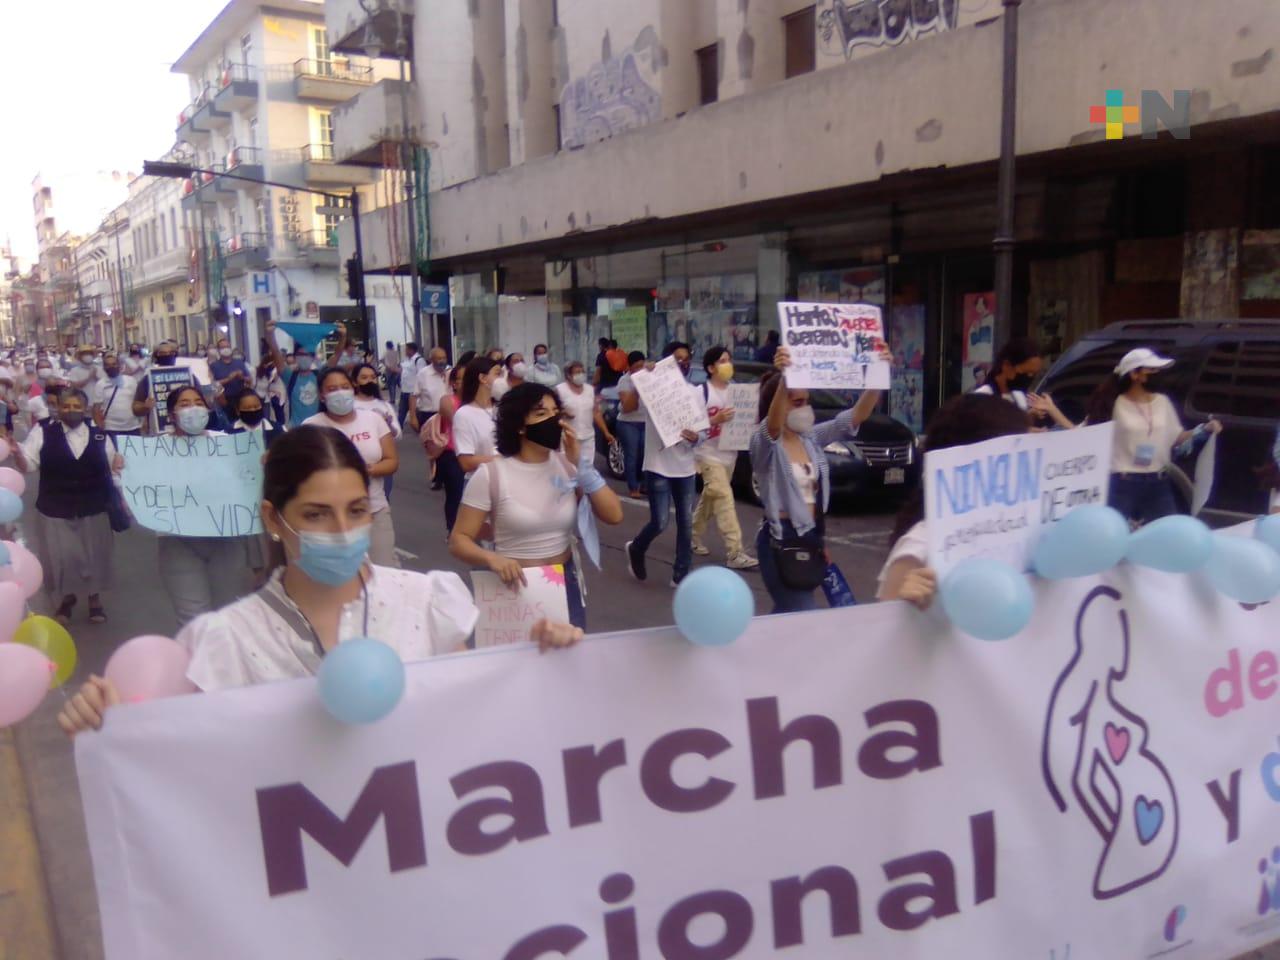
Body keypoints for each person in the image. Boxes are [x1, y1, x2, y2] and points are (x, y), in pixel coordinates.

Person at [57, 428, 584, 733]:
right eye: (315, 515)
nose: (342, 530)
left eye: (356, 510)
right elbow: (188, 776)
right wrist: (113, 726)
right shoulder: (222, 641)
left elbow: (473, 718)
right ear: (273, 518)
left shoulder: (427, 600)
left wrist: (535, 661)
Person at [450, 383, 623, 630]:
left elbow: (614, 515)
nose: (553, 420)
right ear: (520, 426)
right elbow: (459, 539)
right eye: (541, 414)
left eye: (556, 412)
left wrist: (583, 468)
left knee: (568, 662)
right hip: (513, 586)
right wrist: (490, 558)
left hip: (564, 582)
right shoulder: (491, 475)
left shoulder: (567, 467)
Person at [750, 346, 883, 613]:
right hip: (780, 541)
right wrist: (786, 377)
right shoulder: (764, 445)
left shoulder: (809, 438)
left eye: (807, 401)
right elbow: (772, 429)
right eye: (797, 402)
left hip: (809, 538)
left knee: (790, 615)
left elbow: (853, 418)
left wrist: (880, 373)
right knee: (803, 613)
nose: (806, 408)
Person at [876, 394, 1032, 608]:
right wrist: (903, 603)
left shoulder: (1020, 531)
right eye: (1016, 452)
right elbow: (879, 631)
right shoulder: (921, 546)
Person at [146, 386, 250, 626]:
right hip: (179, 541)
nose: (193, 408)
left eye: (198, 402)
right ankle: (200, 661)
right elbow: (137, 491)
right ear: (171, 415)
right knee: (193, 617)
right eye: (184, 404)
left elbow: (247, 480)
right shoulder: (153, 449)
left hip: (226, 538)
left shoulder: (225, 442)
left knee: (230, 612)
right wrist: (123, 470)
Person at [11, 388, 116, 625]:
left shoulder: (98, 433)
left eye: (76, 406)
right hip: (55, 505)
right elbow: (28, 464)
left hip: (94, 504)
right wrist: (17, 453)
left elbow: (112, 465)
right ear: (58, 408)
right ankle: (67, 599)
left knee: (94, 555)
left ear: (85, 409)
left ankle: (94, 598)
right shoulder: (44, 430)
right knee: (62, 556)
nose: (71, 411)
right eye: (66, 406)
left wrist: (119, 466)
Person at [1086, 347, 1221, 527]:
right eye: (1151, 370)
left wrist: (1205, 430)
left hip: (1158, 480)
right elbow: (1089, 434)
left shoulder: (1162, 402)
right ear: (1135, 375)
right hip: (1123, 482)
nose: (1157, 374)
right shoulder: (1113, 404)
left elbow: (1176, 437)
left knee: (1167, 531)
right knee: (1114, 531)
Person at [625, 342, 703, 588]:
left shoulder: (695, 392)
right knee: (659, 521)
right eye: (676, 359)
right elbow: (631, 403)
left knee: (686, 523)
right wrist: (645, 377)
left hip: (686, 467)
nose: (682, 363)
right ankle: (637, 548)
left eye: (685, 358)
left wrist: (696, 437)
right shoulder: (653, 389)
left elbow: (703, 430)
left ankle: (681, 574)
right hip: (659, 464)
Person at [304, 367, 399, 567]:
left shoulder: (373, 419)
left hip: (374, 509)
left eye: (344, 387)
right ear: (321, 395)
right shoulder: (311, 427)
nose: (339, 392)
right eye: (332, 389)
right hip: (330, 518)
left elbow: (391, 461)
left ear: (353, 388)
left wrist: (366, 471)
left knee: (384, 571)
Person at [692, 346, 758, 570]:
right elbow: (690, 425)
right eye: (722, 361)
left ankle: (692, 534)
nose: (727, 365)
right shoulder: (701, 392)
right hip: (707, 454)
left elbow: (750, 420)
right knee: (723, 497)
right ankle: (735, 552)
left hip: (730, 454)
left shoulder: (738, 392)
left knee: (711, 498)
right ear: (710, 368)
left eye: (729, 360)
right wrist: (715, 419)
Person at [975, 337, 1074, 429]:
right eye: (1027, 373)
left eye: (1034, 374)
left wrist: (1030, 417)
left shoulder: (1019, 397)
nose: (1030, 378)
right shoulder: (982, 397)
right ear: (1007, 366)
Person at [264, 321, 347, 428]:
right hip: (296, 430)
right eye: (301, 354)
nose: (304, 357)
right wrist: (270, 335)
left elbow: (336, 356)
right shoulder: (290, 377)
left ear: (312, 357)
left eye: (307, 354)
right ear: (295, 357)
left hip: (319, 428)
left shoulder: (320, 375)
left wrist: (343, 337)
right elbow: (275, 352)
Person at [430, 365, 469, 533]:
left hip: (474, 454)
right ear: (453, 383)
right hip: (451, 453)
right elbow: (457, 422)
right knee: (455, 495)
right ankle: (452, 529)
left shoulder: (480, 402)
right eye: (462, 379)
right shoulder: (447, 400)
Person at [556, 360, 612, 468]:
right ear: (568, 375)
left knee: (587, 469)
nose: (580, 374)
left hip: (588, 436)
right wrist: (563, 412)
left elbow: (596, 412)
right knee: (570, 468)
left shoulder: (590, 389)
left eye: (582, 372)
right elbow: (553, 411)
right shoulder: (560, 390)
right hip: (569, 437)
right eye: (577, 372)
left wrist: (606, 432)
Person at [453, 357, 502, 476]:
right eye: (498, 374)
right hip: (481, 481)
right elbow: (466, 462)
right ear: (483, 378)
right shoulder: (464, 414)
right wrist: (503, 460)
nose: (502, 379)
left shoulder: (503, 409)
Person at [614, 351, 648, 499]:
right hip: (628, 423)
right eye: (637, 367)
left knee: (645, 455)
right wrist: (637, 389)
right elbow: (628, 407)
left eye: (643, 365)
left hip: (646, 421)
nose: (640, 369)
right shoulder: (625, 380)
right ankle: (633, 487)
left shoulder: (650, 377)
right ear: (630, 367)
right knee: (632, 455)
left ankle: (645, 485)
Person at [90, 351, 143, 441]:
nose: (111, 367)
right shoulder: (100, 384)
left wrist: (143, 422)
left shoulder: (131, 381)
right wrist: (100, 426)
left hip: (133, 427)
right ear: (104, 367)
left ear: (119, 365)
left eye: (114, 364)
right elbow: (96, 409)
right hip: (111, 429)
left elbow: (139, 402)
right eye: (108, 365)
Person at [408, 346, 451, 432]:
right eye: (439, 358)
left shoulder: (450, 371)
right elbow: (414, 396)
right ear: (431, 360)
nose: (442, 361)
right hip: (428, 416)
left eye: (444, 358)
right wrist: (412, 417)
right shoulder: (423, 374)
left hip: (448, 415)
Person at [210, 336, 253, 413]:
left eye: (227, 347)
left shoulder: (239, 362)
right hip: (224, 401)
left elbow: (250, 380)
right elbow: (213, 384)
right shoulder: (214, 365)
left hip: (240, 398)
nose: (226, 349)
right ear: (218, 350)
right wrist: (229, 379)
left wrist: (242, 377)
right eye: (223, 347)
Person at [397, 342, 427, 425]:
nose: (405, 351)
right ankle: (399, 428)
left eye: (406, 349)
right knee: (401, 411)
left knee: (415, 412)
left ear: (411, 350)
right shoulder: (406, 360)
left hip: (413, 392)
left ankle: (419, 427)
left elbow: (422, 375)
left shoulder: (419, 360)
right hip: (404, 390)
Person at [382, 340, 402, 405]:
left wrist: (386, 365)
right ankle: (396, 398)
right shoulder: (395, 352)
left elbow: (382, 359)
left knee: (390, 385)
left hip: (389, 370)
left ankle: (392, 399)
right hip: (396, 369)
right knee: (395, 384)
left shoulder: (386, 352)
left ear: (387, 346)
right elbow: (398, 361)